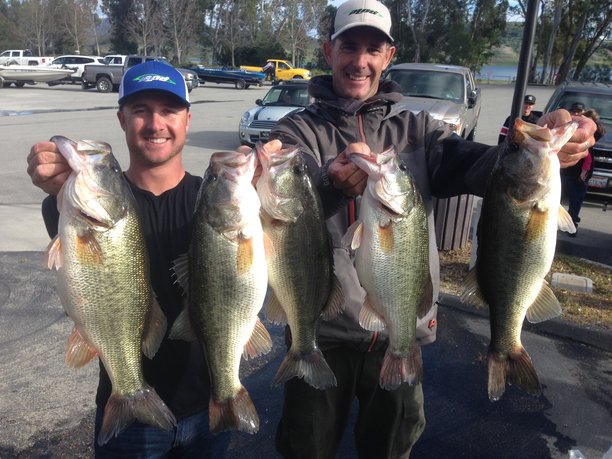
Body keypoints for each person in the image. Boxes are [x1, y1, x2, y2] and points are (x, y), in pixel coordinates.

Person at [264, 0, 597, 457]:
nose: (360, 61)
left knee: (393, 447)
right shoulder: (296, 131)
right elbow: (284, 196)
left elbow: (479, 165)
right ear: (328, 51)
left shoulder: (419, 131)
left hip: (402, 333)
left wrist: (537, 145)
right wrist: (328, 183)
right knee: (307, 448)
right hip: (323, 328)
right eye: (349, 46)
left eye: (372, 49)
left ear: (388, 55)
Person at [26, 61, 231, 457]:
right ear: (122, 119)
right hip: (129, 418)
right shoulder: (77, 210)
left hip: (210, 404)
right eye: (141, 111)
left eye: (169, 110)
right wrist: (56, 190)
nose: (156, 124)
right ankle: (130, 391)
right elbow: (63, 225)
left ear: (187, 119)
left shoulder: (213, 203)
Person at [561, 106, 606, 236]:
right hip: (568, 170)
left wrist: (583, 173)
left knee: (576, 200)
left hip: (579, 174)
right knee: (561, 198)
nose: (576, 114)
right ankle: (562, 224)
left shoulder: (592, 135)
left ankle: (572, 225)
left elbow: (588, 160)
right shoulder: (573, 128)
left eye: (579, 113)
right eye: (573, 112)